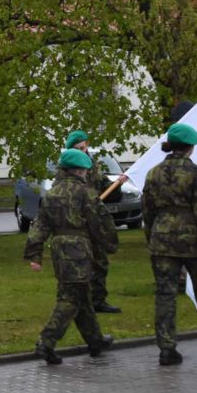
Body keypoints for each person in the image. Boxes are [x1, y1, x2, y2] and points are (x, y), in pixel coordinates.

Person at [24, 149, 115, 364]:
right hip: (79, 248)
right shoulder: (85, 192)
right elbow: (99, 222)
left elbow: (40, 226)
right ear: (81, 170)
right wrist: (108, 245)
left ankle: (95, 340)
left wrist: (35, 254)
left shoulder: (52, 193)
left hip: (59, 248)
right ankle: (46, 342)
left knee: (81, 294)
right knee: (70, 298)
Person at [142, 122, 197, 366]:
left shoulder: (153, 173)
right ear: (190, 147)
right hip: (192, 241)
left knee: (165, 295)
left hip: (162, 239)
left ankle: (166, 349)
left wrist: (152, 238)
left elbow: (147, 212)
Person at [64, 130, 121, 313]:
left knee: (100, 261)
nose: (82, 151)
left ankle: (98, 300)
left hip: (96, 220)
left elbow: (102, 182)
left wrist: (114, 185)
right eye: (78, 148)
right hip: (78, 222)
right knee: (80, 264)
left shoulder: (92, 165)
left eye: (84, 147)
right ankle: (79, 301)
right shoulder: (66, 168)